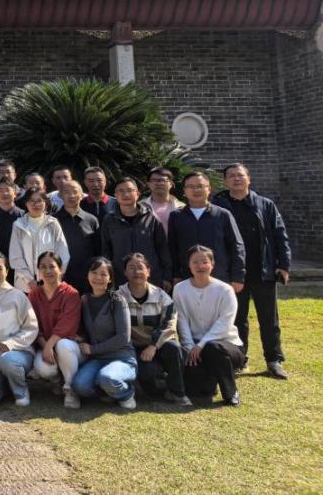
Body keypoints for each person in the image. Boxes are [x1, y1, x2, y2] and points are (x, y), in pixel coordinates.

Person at [212, 163, 291, 379]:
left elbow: (280, 234)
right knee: (237, 318)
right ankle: (240, 359)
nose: (236, 179)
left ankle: (274, 360)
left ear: (249, 179)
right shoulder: (218, 205)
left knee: (269, 319)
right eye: (231, 176)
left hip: (263, 270)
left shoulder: (265, 204)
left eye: (240, 175)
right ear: (225, 181)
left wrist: (283, 265)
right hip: (233, 273)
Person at [173, 245, 246, 406]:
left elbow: (225, 323)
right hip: (195, 347)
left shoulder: (225, 290)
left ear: (212, 264)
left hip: (225, 345)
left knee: (214, 348)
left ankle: (231, 393)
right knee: (198, 390)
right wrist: (189, 346)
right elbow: (181, 319)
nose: (200, 266)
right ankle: (211, 380)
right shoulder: (180, 289)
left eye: (204, 262)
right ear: (189, 265)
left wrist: (202, 344)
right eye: (195, 262)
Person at [120, 252, 191, 405]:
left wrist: (153, 345)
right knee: (148, 374)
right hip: (134, 347)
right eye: (131, 268)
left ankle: (178, 393)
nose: (137, 271)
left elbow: (169, 324)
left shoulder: (161, 296)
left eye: (141, 267)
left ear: (148, 271)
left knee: (175, 348)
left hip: (159, 344)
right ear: (125, 272)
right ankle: (154, 387)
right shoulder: (118, 297)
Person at [72, 257, 138, 410]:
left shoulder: (117, 300)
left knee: (107, 378)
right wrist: (81, 338)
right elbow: (89, 331)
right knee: (79, 386)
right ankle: (108, 391)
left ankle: (126, 394)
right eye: (94, 272)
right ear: (88, 275)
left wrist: (93, 349)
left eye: (103, 274)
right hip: (97, 360)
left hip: (122, 358)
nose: (98, 277)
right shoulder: (84, 300)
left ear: (110, 279)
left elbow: (123, 337)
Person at [0, 252, 39, 407]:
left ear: (7, 271)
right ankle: (7, 384)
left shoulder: (18, 296)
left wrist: (11, 344)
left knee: (7, 360)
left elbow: (31, 328)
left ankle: (21, 391)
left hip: (18, 354)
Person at [169, 172, 245, 288]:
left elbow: (236, 246)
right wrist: (176, 275)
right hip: (186, 277)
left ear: (209, 189)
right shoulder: (176, 216)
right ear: (184, 191)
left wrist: (237, 276)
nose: (196, 190)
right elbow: (172, 248)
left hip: (219, 277)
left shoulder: (222, 215)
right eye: (191, 187)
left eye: (200, 186)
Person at [28, 251, 83, 409]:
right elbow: (33, 325)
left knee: (63, 345)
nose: (48, 271)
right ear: (38, 271)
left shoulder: (71, 294)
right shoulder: (34, 294)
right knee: (44, 369)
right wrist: (46, 346)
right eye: (43, 267)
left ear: (61, 269)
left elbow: (67, 325)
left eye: (52, 266)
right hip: (46, 345)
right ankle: (58, 381)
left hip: (70, 347)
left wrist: (49, 345)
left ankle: (71, 389)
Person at [100, 177, 171, 290]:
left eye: (129, 190)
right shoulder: (109, 220)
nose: (126, 194)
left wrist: (167, 276)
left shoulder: (151, 218)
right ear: (115, 195)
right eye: (121, 191)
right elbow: (106, 251)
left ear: (137, 194)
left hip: (150, 278)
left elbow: (162, 249)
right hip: (120, 278)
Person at [9, 188, 70, 294]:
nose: (35, 204)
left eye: (39, 201)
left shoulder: (53, 223)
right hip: (25, 285)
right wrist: (29, 280)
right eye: (31, 201)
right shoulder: (18, 225)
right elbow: (15, 256)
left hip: (51, 283)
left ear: (45, 203)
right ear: (26, 203)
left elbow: (63, 253)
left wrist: (55, 276)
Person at [53, 180, 99, 294]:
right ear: (60, 195)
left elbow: (98, 250)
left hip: (88, 278)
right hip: (61, 277)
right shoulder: (53, 221)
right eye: (67, 192)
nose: (71, 195)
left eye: (75, 191)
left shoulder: (91, 220)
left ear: (82, 195)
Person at [0, 178, 24, 287]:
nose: (4, 193)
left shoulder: (24, 216)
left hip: (19, 267)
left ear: (15, 193)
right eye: (0, 190)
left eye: (7, 190)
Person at [141, 166, 184, 234]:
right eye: (154, 180)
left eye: (163, 180)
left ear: (171, 184)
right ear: (148, 184)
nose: (158, 183)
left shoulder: (182, 207)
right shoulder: (139, 206)